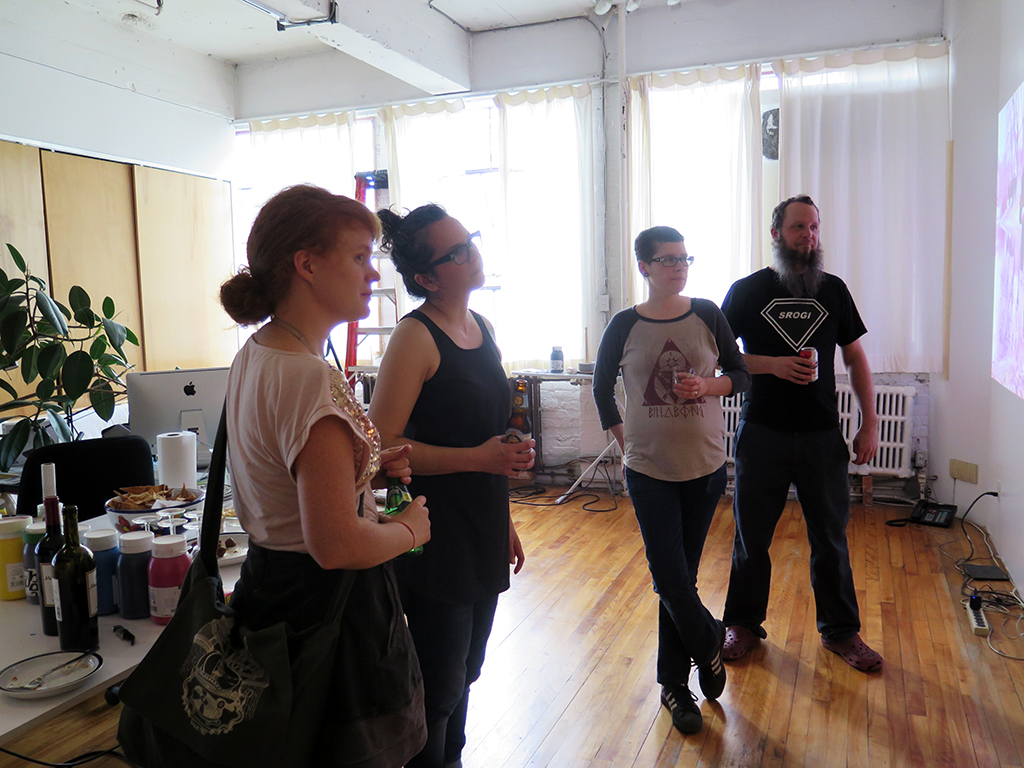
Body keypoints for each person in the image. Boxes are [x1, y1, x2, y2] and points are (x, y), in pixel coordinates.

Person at [218, 184, 430, 767]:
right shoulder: (309, 377)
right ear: (307, 264)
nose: (372, 273)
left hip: (269, 592)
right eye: (359, 256)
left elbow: (284, 481)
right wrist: (410, 529)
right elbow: (335, 544)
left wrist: (359, 474)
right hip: (330, 613)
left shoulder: (257, 354)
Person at [368, 204, 534, 768]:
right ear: (428, 278)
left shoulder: (482, 327)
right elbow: (383, 448)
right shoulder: (415, 338)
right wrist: (479, 458)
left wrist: (504, 518)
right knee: (439, 683)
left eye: (471, 240)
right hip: (432, 530)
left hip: (480, 523)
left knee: (466, 672)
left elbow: (490, 437)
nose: (472, 254)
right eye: (457, 251)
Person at [593, 226, 750, 735]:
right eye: (667, 260)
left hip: (705, 467)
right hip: (648, 471)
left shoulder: (707, 313)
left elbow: (740, 375)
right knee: (668, 576)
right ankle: (708, 641)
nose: (679, 267)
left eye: (684, 258)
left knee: (681, 578)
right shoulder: (624, 324)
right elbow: (601, 389)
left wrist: (707, 385)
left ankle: (674, 686)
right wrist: (626, 443)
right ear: (644, 267)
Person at [719, 194, 882, 672]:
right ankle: (742, 624)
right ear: (776, 233)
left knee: (830, 539)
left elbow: (855, 357)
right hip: (761, 432)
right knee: (751, 538)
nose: (808, 236)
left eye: (813, 228)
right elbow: (719, 357)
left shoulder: (833, 290)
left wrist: (869, 421)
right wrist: (772, 365)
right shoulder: (747, 291)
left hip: (821, 435)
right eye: (798, 227)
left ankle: (841, 632)